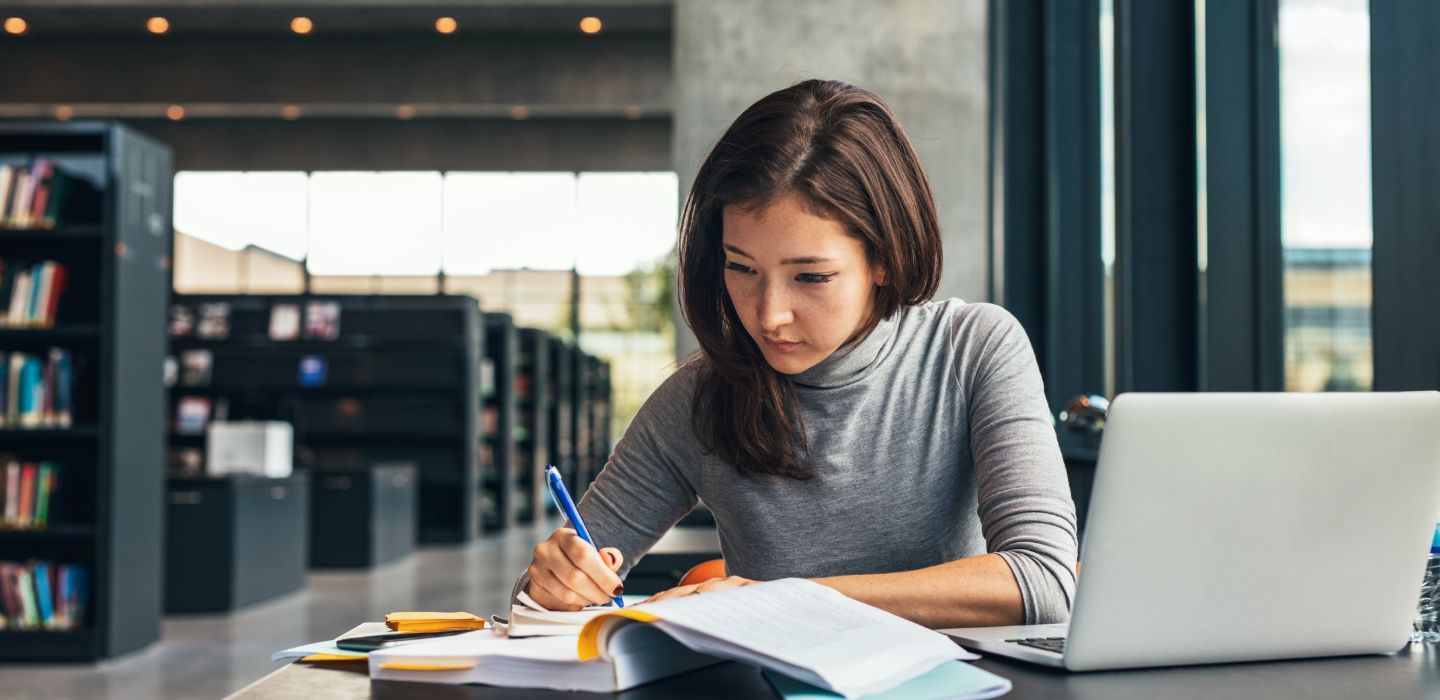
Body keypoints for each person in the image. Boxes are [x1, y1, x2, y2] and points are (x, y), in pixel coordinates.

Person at [516, 79, 1077, 628]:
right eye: (741, 268)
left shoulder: (972, 349)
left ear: (885, 259)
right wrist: (552, 585)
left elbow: (1044, 581)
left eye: (811, 276)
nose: (768, 315)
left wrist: (782, 601)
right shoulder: (697, 398)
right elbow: (533, 605)